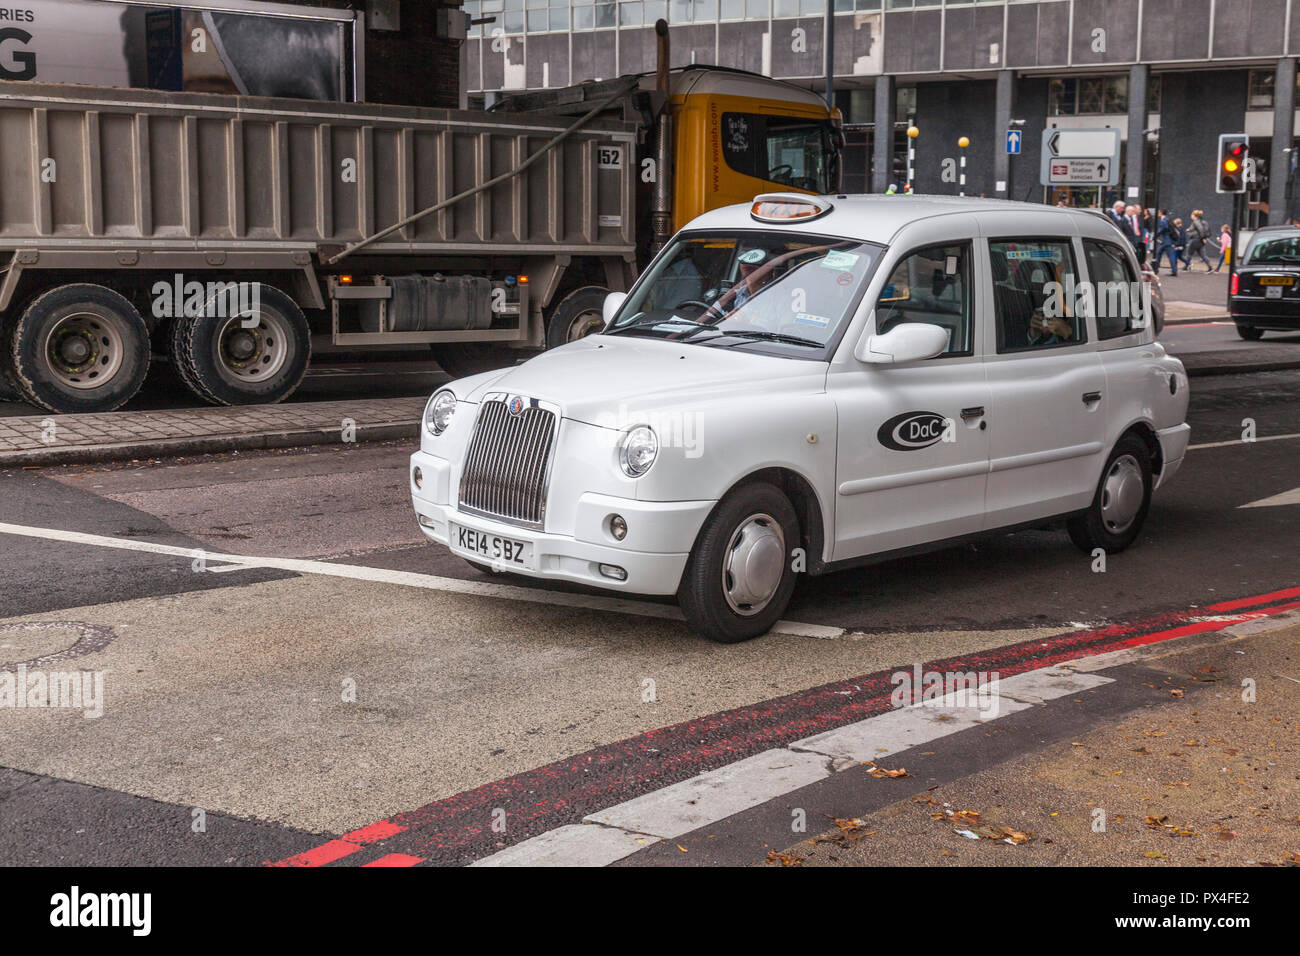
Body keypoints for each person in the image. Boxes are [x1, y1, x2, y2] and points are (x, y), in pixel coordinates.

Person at [1154, 210, 1178, 276]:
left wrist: (1154, 236)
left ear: (1161, 213)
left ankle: (1174, 271)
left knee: (1170, 256)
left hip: (1167, 241)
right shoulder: (1168, 219)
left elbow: (1162, 229)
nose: (1158, 214)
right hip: (1168, 240)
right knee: (1159, 253)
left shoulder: (1163, 220)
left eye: (1158, 212)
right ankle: (1156, 267)